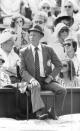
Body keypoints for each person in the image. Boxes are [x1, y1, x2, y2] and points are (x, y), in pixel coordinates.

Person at [20, 24, 67, 120]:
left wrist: (50, 77)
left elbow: (59, 65)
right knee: (35, 85)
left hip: (46, 80)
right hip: (31, 81)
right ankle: (39, 112)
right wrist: (32, 79)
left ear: (41, 37)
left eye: (34, 35)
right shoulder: (23, 51)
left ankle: (53, 112)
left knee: (62, 90)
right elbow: (22, 70)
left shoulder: (48, 49)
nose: (31, 37)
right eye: (30, 35)